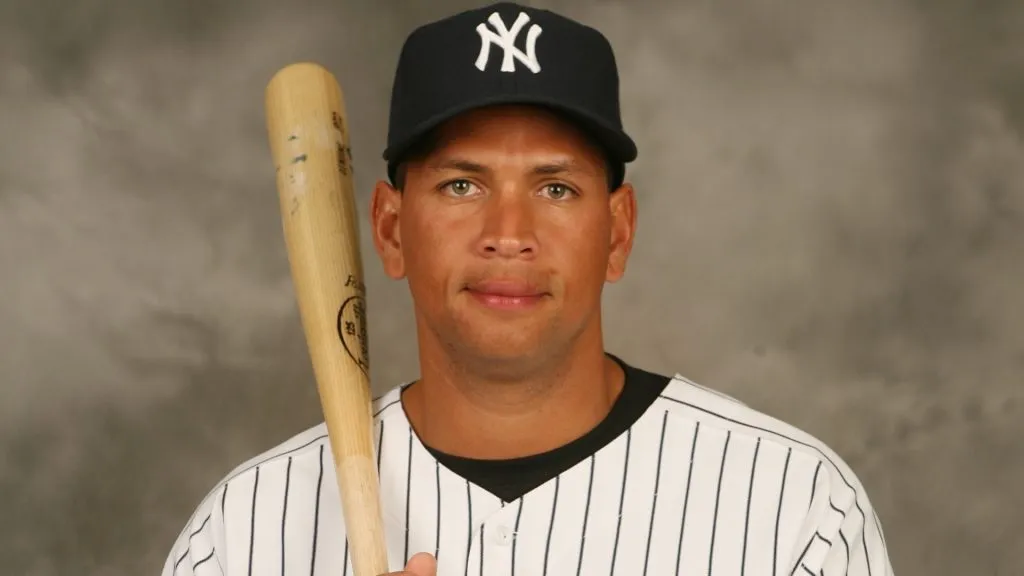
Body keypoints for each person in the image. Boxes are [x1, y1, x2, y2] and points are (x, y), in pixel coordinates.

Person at [162, 3, 894, 575]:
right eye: (461, 184)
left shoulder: (792, 508)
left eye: (555, 187)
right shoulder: (244, 531)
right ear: (388, 230)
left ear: (618, 233)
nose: (508, 233)